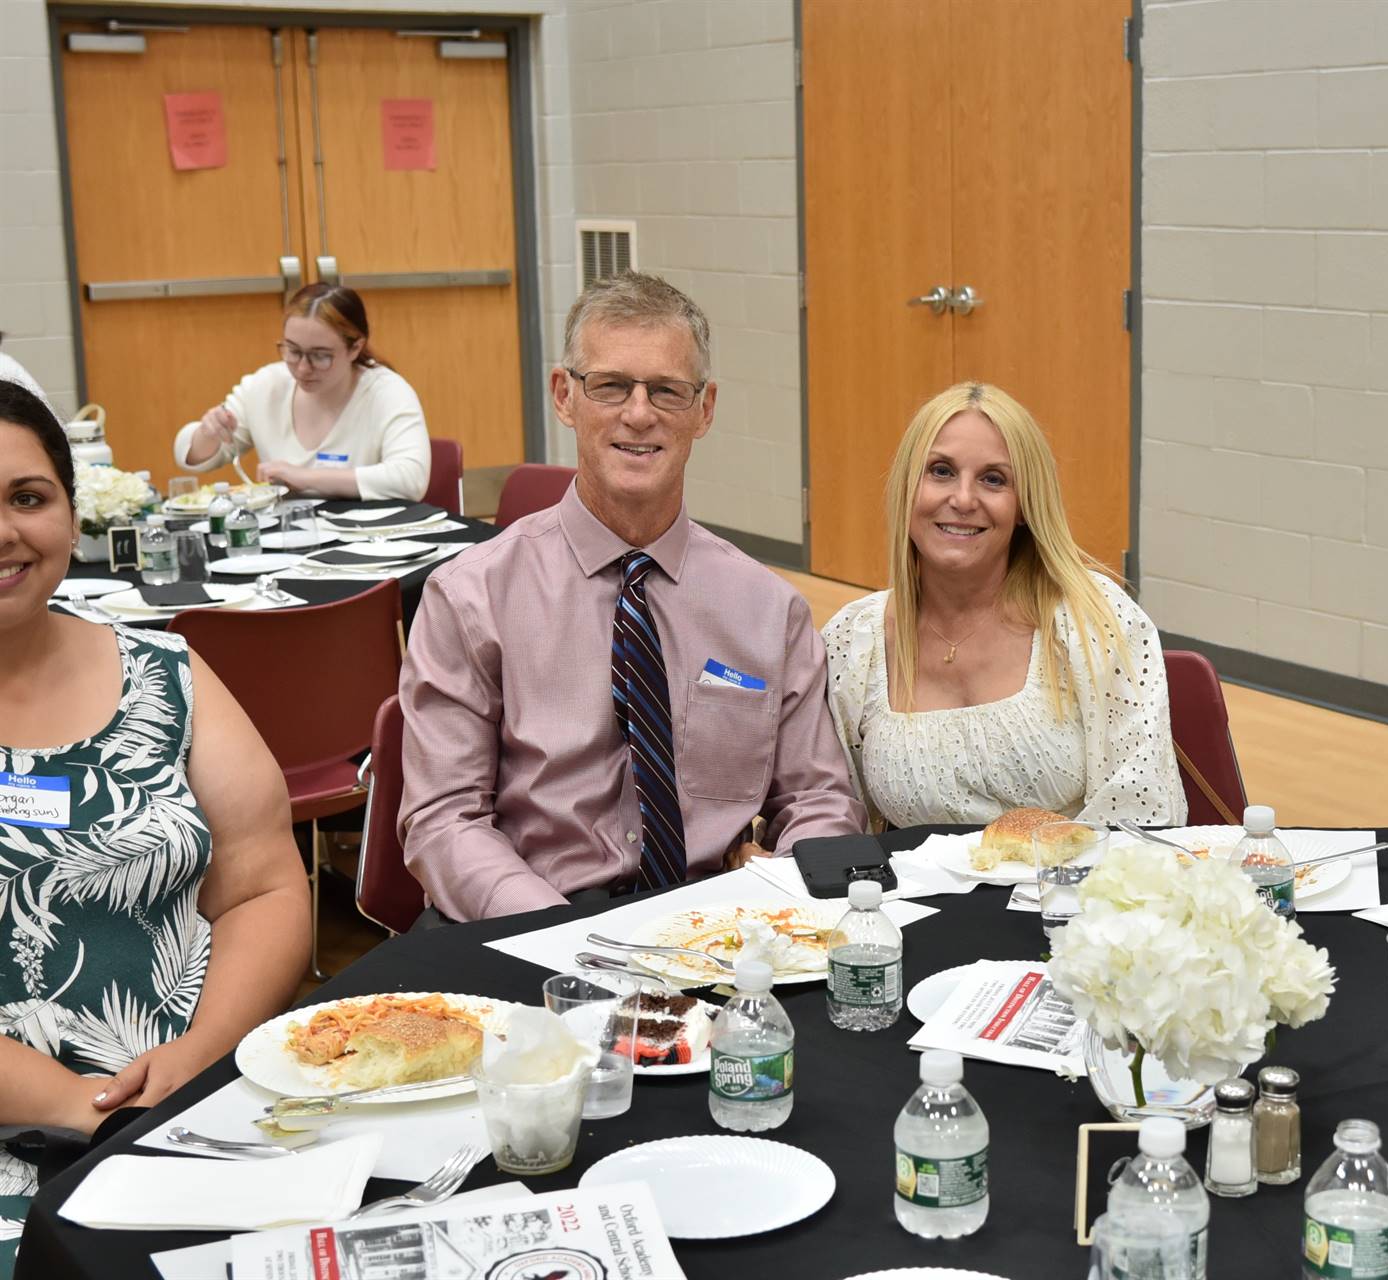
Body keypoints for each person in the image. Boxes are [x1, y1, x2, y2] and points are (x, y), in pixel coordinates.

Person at [398, 272, 864, 922]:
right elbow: (443, 821)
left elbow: (819, 800)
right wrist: (558, 934)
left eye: (667, 391)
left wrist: (783, 903)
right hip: (531, 925)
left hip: (716, 929)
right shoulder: (472, 597)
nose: (639, 413)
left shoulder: (767, 609)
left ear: (704, 410)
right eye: (611, 386)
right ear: (565, 395)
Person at [0, 382, 309, 1272]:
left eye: (28, 497)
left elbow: (264, 884)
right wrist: (90, 1109)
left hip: (203, 1101)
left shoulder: (163, 672)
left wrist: (200, 1058)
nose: (6, 531)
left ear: (68, 508)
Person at [822, 382, 1184, 830]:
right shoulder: (853, 640)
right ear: (906, 489)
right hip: (910, 897)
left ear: (1025, 506)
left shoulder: (1094, 619)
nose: (963, 499)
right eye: (940, 471)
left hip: (1069, 894)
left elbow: (1142, 811)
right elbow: (830, 814)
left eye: (994, 479)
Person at [171, 283, 430, 500]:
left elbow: (410, 479)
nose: (303, 368)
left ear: (355, 348)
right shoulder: (266, 385)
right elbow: (191, 456)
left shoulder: (386, 392)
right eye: (293, 351)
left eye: (320, 356)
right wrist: (207, 433)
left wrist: (304, 477)